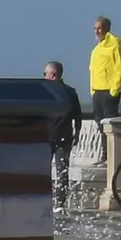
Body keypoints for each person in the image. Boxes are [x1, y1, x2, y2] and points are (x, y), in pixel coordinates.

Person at [43, 60, 83, 203]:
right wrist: (77, 133)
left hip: (45, 137)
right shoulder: (70, 92)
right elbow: (78, 115)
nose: (44, 77)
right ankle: (60, 202)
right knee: (63, 171)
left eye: (45, 74)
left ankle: (44, 199)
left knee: (42, 170)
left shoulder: (44, 91)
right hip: (64, 137)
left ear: (52, 74)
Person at [88, 17, 121, 121]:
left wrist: (114, 91)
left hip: (108, 93)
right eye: (95, 28)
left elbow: (120, 70)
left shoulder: (115, 47)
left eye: (99, 28)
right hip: (97, 92)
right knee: (99, 123)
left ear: (107, 29)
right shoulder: (95, 50)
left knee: (110, 125)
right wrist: (92, 91)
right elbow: (93, 71)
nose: (97, 31)